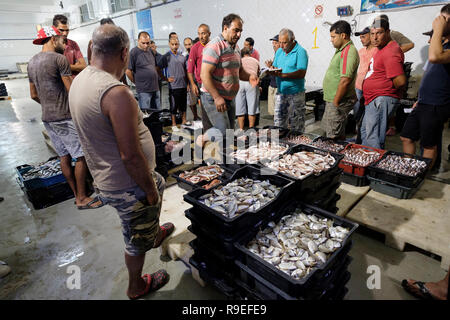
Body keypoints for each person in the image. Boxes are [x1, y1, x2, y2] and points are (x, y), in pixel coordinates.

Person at [69, 24, 175, 300]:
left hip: (106, 176)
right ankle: (136, 286)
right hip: (128, 185)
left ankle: (152, 233)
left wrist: (154, 184)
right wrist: (148, 190)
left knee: (160, 184)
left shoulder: (80, 80)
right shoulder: (115, 93)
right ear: (125, 52)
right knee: (134, 240)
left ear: (92, 48)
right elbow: (129, 155)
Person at [28, 26, 102, 210]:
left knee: (64, 156)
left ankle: (76, 194)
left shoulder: (31, 63)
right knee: (82, 156)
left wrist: (48, 105)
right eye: (62, 40)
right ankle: (82, 197)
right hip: (65, 116)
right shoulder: (59, 59)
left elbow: (33, 95)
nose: (65, 43)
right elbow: (72, 90)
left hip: (48, 117)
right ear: (53, 39)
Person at [400, 4, 450, 170]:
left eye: (444, 19)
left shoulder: (442, 50)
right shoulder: (439, 47)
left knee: (429, 144)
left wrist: (438, 29)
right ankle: (409, 169)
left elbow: (435, 57)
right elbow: (429, 75)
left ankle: (421, 175)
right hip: (423, 102)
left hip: (437, 104)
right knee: (406, 136)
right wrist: (418, 99)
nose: (439, 22)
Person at [197, 14, 259, 147]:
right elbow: (204, 74)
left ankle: (224, 163)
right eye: (236, 30)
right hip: (213, 97)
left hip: (230, 98)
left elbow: (239, 71)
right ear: (225, 28)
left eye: (240, 31)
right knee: (224, 132)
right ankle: (203, 138)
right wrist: (217, 97)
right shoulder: (214, 46)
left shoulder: (236, 47)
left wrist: (250, 77)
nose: (239, 34)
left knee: (230, 135)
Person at [360, 18, 406, 149]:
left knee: (373, 138)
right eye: (372, 34)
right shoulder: (382, 48)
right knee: (367, 134)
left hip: (380, 99)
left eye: (379, 33)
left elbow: (400, 81)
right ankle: (366, 163)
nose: (374, 38)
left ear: (388, 32)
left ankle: (373, 166)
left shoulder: (391, 51)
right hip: (374, 99)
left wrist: (387, 94)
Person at [322, 20, 359, 141]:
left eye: (333, 36)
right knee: (334, 131)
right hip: (332, 100)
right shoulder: (341, 50)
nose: (331, 40)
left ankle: (334, 157)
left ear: (343, 35)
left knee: (333, 137)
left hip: (338, 100)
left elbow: (345, 80)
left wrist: (336, 102)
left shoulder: (349, 51)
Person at [267, 28, 308, 132]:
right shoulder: (280, 51)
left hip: (295, 94)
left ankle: (296, 147)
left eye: (284, 43)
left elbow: (301, 73)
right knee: (278, 125)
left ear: (292, 39)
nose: (281, 46)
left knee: (296, 126)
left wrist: (283, 75)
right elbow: (275, 66)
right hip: (281, 93)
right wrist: (271, 69)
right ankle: (281, 146)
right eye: (279, 42)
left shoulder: (300, 52)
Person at [126, 31, 167, 112]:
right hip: (143, 90)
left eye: (147, 43)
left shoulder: (150, 51)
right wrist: (136, 83)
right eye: (143, 43)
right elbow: (128, 71)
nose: (146, 45)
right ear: (138, 41)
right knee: (147, 114)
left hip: (155, 88)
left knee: (157, 113)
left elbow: (154, 67)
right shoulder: (133, 53)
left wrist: (163, 78)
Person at [159, 37, 188, 131]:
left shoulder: (182, 56)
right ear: (169, 44)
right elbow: (157, 68)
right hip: (173, 86)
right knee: (174, 105)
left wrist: (187, 84)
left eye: (176, 44)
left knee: (183, 104)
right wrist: (165, 78)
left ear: (179, 44)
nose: (175, 46)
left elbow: (186, 71)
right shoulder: (166, 56)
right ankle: (174, 123)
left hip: (183, 84)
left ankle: (184, 121)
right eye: (172, 44)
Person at [353, 26, 377, 143]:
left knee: (369, 118)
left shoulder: (377, 51)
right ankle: (358, 139)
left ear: (371, 36)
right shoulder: (360, 51)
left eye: (364, 36)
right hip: (358, 88)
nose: (361, 39)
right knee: (358, 116)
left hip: (370, 90)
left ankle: (366, 141)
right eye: (360, 37)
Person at [188, 24, 212, 128]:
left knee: (217, 107)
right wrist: (193, 84)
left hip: (216, 81)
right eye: (199, 34)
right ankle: (207, 130)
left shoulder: (215, 45)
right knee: (205, 108)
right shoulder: (195, 48)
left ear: (209, 34)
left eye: (203, 33)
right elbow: (190, 69)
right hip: (202, 83)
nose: (201, 36)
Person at [235, 47, 260, 131]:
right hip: (252, 82)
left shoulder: (240, 60)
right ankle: (251, 128)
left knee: (240, 107)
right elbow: (258, 73)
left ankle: (241, 129)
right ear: (250, 54)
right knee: (252, 107)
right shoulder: (255, 61)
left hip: (240, 82)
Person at [183, 37, 199, 121]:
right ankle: (195, 116)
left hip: (200, 81)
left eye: (189, 44)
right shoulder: (185, 58)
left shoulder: (198, 54)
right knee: (192, 101)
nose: (188, 46)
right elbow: (185, 71)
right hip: (191, 81)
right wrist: (188, 84)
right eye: (186, 45)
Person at [265, 34, 280, 117]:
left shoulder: (282, 54)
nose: (273, 45)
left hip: (278, 86)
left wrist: (272, 68)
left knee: (279, 112)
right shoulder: (276, 54)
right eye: (273, 43)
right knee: (273, 112)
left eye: (275, 43)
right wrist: (270, 67)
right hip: (272, 85)